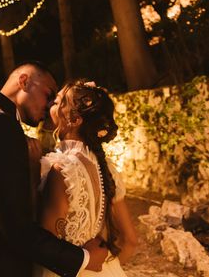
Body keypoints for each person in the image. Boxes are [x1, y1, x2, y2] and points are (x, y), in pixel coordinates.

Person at [0, 62, 108, 277]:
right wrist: (84, 258)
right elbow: (17, 227)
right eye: (48, 94)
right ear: (24, 82)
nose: (51, 104)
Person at [34, 80, 138, 277]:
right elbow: (130, 240)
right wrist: (108, 270)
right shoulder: (105, 166)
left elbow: (45, 247)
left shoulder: (63, 170)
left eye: (57, 102)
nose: (50, 106)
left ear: (74, 119)